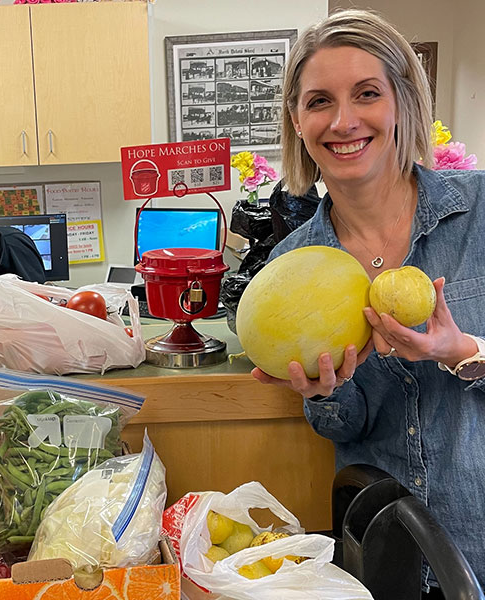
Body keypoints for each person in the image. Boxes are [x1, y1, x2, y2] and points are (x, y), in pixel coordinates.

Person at [252, 9, 485, 592]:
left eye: (367, 93)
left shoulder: (479, 212)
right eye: (319, 101)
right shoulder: (292, 265)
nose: (344, 120)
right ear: (298, 122)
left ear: (403, 103)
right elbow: (349, 427)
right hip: (387, 556)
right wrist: (326, 394)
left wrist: (462, 351)